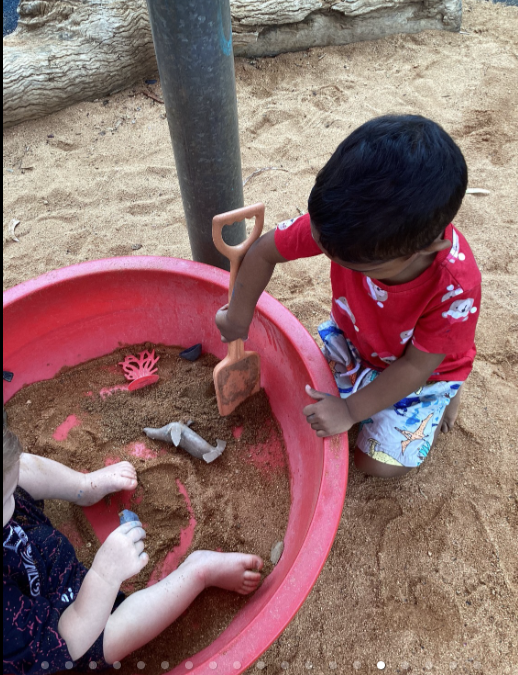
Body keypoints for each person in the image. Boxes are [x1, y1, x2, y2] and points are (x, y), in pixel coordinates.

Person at [216, 115, 481, 478]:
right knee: (298, 399)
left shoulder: (455, 287)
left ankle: (448, 395)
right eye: (327, 251)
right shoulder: (345, 227)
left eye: (357, 266)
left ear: (428, 247)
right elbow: (264, 252)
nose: (334, 259)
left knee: (372, 464)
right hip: (358, 339)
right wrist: (237, 318)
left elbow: (417, 366)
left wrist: (350, 412)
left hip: (421, 372)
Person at [3, 428, 263, 674]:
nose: (13, 500)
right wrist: (104, 576)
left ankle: (82, 486)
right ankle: (198, 572)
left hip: (28, 543)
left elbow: (14, 473)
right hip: (52, 624)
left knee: (19, 467)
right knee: (104, 640)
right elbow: (67, 641)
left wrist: (15, 483)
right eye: (5, 500)